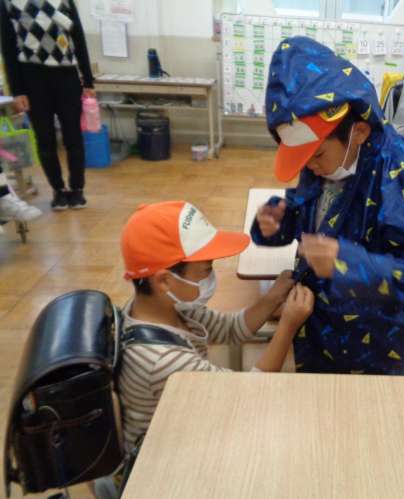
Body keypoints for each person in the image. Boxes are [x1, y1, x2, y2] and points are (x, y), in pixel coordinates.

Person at [92, 200, 314, 499]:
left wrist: (272, 297)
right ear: (164, 280)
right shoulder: (162, 361)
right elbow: (250, 391)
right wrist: (288, 326)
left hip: (185, 421)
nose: (211, 276)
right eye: (205, 269)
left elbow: (230, 328)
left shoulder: (169, 307)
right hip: (164, 464)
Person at [252, 36, 404, 375]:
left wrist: (346, 264)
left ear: (359, 132)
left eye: (315, 156)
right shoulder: (324, 162)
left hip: (377, 345)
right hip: (319, 329)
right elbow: (308, 213)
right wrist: (276, 223)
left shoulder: (403, 177)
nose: (309, 167)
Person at [0, 0, 95, 210]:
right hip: (32, 79)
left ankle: (77, 189)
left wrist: (88, 80)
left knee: (73, 136)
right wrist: (17, 91)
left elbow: (78, 38)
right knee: (45, 139)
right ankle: (58, 190)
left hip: (67, 76)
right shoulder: (9, 4)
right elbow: (8, 47)